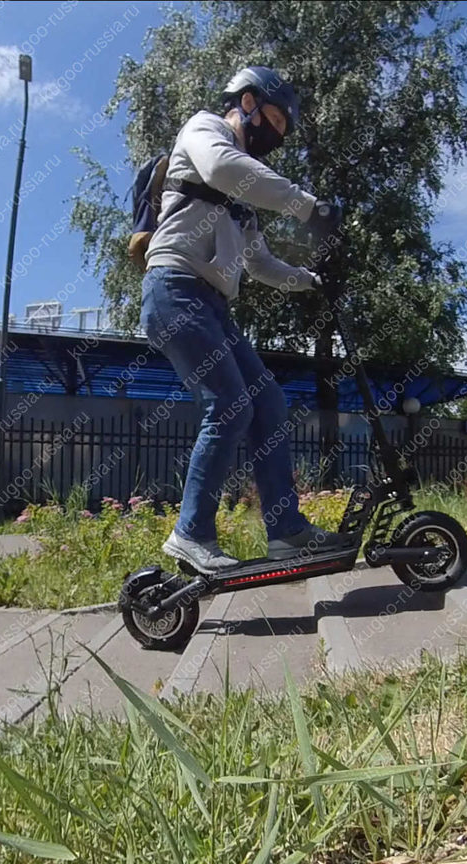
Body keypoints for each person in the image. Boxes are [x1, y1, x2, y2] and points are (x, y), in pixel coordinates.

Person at [141, 65, 353, 574]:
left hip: (212, 306)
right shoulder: (204, 130)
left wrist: (312, 281)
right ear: (248, 101)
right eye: (275, 118)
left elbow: (259, 264)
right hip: (174, 290)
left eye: (284, 129)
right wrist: (306, 206)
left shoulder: (244, 202)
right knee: (231, 405)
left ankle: (286, 531)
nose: (276, 134)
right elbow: (220, 169)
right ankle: (191, 534)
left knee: (267, 402)